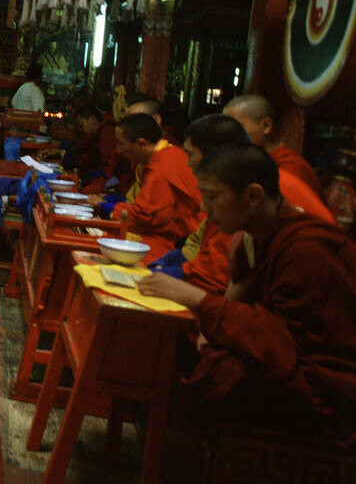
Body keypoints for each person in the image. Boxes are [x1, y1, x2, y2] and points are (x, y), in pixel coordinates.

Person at [138, 145, 356, 441]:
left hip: (322, 391)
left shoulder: (308, 249)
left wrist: (194, 299)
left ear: (253, 196)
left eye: (213, 196)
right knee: (171, 342)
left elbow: (280, 342)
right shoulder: (251, 238)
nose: (204, 207)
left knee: (223, 376)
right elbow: (236, 307)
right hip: (281, 362)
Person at [158, 114, 336, 296]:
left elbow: (216, 278)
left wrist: (196, 299)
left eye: (189, 154)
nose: (187, 163)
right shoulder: (244, 229)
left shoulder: (256, 192)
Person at [95, 112, 201, 263]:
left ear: (141, 143)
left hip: (183, 239)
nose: (118, 150)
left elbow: (144, 218)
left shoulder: (161, 169)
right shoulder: (168, 152)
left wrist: (108, 208)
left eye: (122, 143)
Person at [223, 93, 322, 196]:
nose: (228, 135)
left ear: (266, 126)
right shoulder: (257, 163)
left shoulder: (291, 169)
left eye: (235, 127)